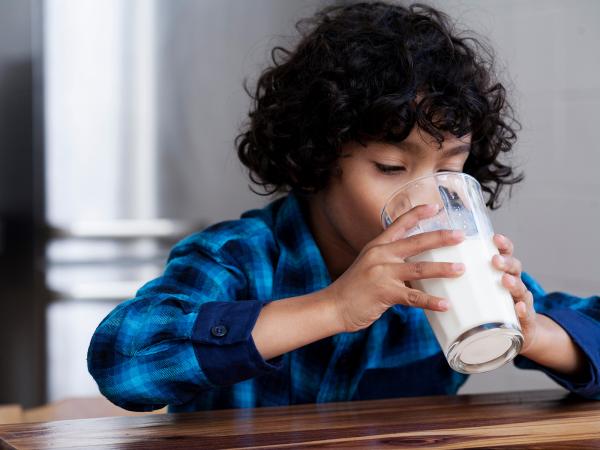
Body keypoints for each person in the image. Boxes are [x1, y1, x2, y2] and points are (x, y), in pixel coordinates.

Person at [87, 1, 600, 412]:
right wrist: (333, 307)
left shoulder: (456, 266)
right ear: (316, 159)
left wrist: (535, 334)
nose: (428, 200)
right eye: (392, 169)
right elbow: (123, 360)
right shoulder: (238, 260)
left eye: (450, 168)